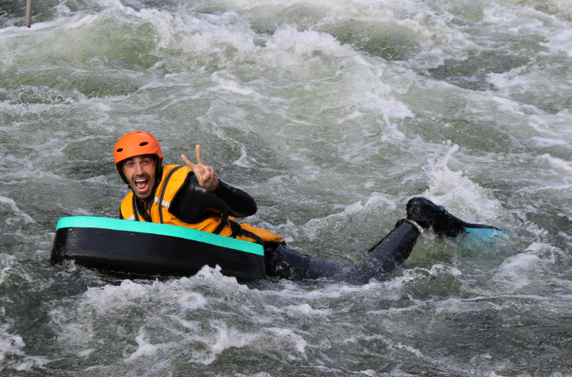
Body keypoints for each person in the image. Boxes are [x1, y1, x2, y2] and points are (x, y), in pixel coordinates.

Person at [113, 131, 499, 284]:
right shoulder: (129, 209)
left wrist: (217, 186)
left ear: (158, 164)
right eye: (130, 165)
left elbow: (247, 207)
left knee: (357, 281)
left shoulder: (185, 192)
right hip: (229, 272)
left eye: (145, 161)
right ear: (123, 173)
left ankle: (418, 217)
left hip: (264, 259)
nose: (139, 171)